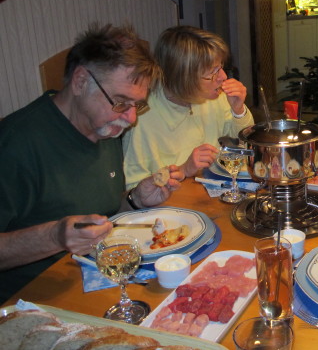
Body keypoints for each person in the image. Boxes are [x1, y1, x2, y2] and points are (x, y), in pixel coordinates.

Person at [0, 23, 182, 303]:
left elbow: (96, 216)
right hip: (33, 303)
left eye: (137, 105)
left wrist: (135, 200)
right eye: (121, 101)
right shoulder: (16, 144)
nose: (131, 118)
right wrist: (54, 237)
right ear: (80, 81)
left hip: (97, 280)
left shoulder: (107, 128)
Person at [122, 26, 254, 189]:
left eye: (220, 67)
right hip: (172, 207)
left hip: (210, 196)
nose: (223, 77)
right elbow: (133, 188)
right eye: (213, 72)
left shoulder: (215, 97)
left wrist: (238, 110)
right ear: (185, 78)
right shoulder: (141, 117)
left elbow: (243, 145)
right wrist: (184, 169)